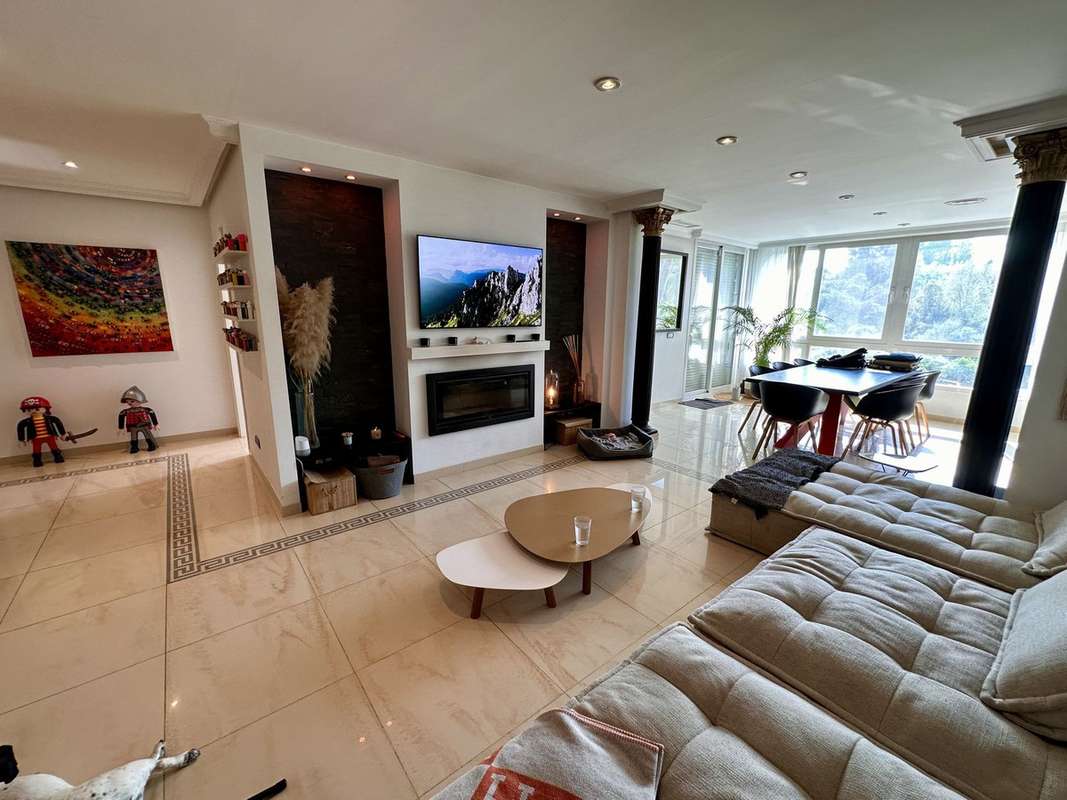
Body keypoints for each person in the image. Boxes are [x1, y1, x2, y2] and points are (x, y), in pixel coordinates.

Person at [16, 396, 66, 467]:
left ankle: (58, 457)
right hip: (36, 438)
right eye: (29, 410)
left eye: (37, 409)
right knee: (36, 450)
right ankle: (37, 460)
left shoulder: (50, 418)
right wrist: (21, 439)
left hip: (49, 436)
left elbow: (58, 422)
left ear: (45, 408)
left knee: (54, 447)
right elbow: (20, 427)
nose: (34, 411)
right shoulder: (27, 421)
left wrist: (63, 434)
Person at [117, 385, 159, 453]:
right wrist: (121, 427)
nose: (129, 403)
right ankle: (134, 447)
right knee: (133, 437)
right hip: (133, 426)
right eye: (127, 401)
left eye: (132, 401)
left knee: (147, 435)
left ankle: (151, 445)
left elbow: (152, 413)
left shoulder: (145, 410)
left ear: (140, 400)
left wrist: (155, 424)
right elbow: (121, 415)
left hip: (144, 425)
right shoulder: (127, 411)